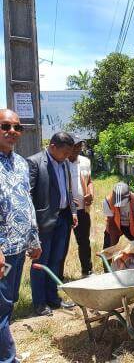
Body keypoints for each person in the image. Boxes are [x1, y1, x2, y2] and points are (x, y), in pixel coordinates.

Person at [0, 109, 42, 363]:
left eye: (17, 127)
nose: (12, 132)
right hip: (2, 251)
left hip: (18, 248)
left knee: (9, 303)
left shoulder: (21, 164)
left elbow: (26, 203)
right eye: (5, 126)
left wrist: (34, 239)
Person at [27, 132, 77, 316]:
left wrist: (72, 211)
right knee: (41, 263)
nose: (66, 157)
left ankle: (53, 298)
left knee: (56, 261)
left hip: (62, 219)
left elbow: (68, 190)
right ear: (53, 146)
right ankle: (40, 303)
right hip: (43, 223)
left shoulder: (63, 163)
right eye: (64, 152)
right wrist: (32, 226)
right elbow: (28, 196)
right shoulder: (34, 162)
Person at [66, 135, 94, 277]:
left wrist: (90, 193)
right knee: (62, 245)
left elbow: (89, 180)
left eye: (79, 146)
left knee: (84, 241)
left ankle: (87, 271)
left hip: (82, 209)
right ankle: (57, 276)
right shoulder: (60, 162)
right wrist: (68, 201)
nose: (77, 149)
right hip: (64, 211)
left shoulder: (85, 161)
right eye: (74, 145)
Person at [103, 182, 134, 249]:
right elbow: (112, 224)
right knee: (108, 250)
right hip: (115, 223)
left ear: (129, 196)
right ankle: (108, 258)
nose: (119, 206)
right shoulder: (108, 201)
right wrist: (112, 248)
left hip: (132, 226)